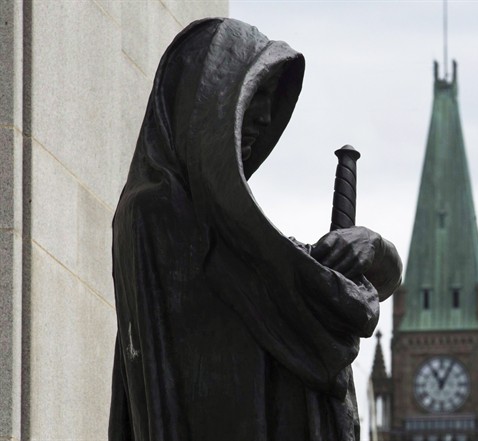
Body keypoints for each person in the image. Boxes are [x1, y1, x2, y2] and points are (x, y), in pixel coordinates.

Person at [109, 18, 402, 441]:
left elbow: (345, 287)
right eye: (254, 95)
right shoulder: (160, 212)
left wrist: (373, 249)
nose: (265, 116)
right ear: (208, 98)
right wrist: (346, 277)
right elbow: (325, 306)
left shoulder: (218, 229)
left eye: (269, 100)